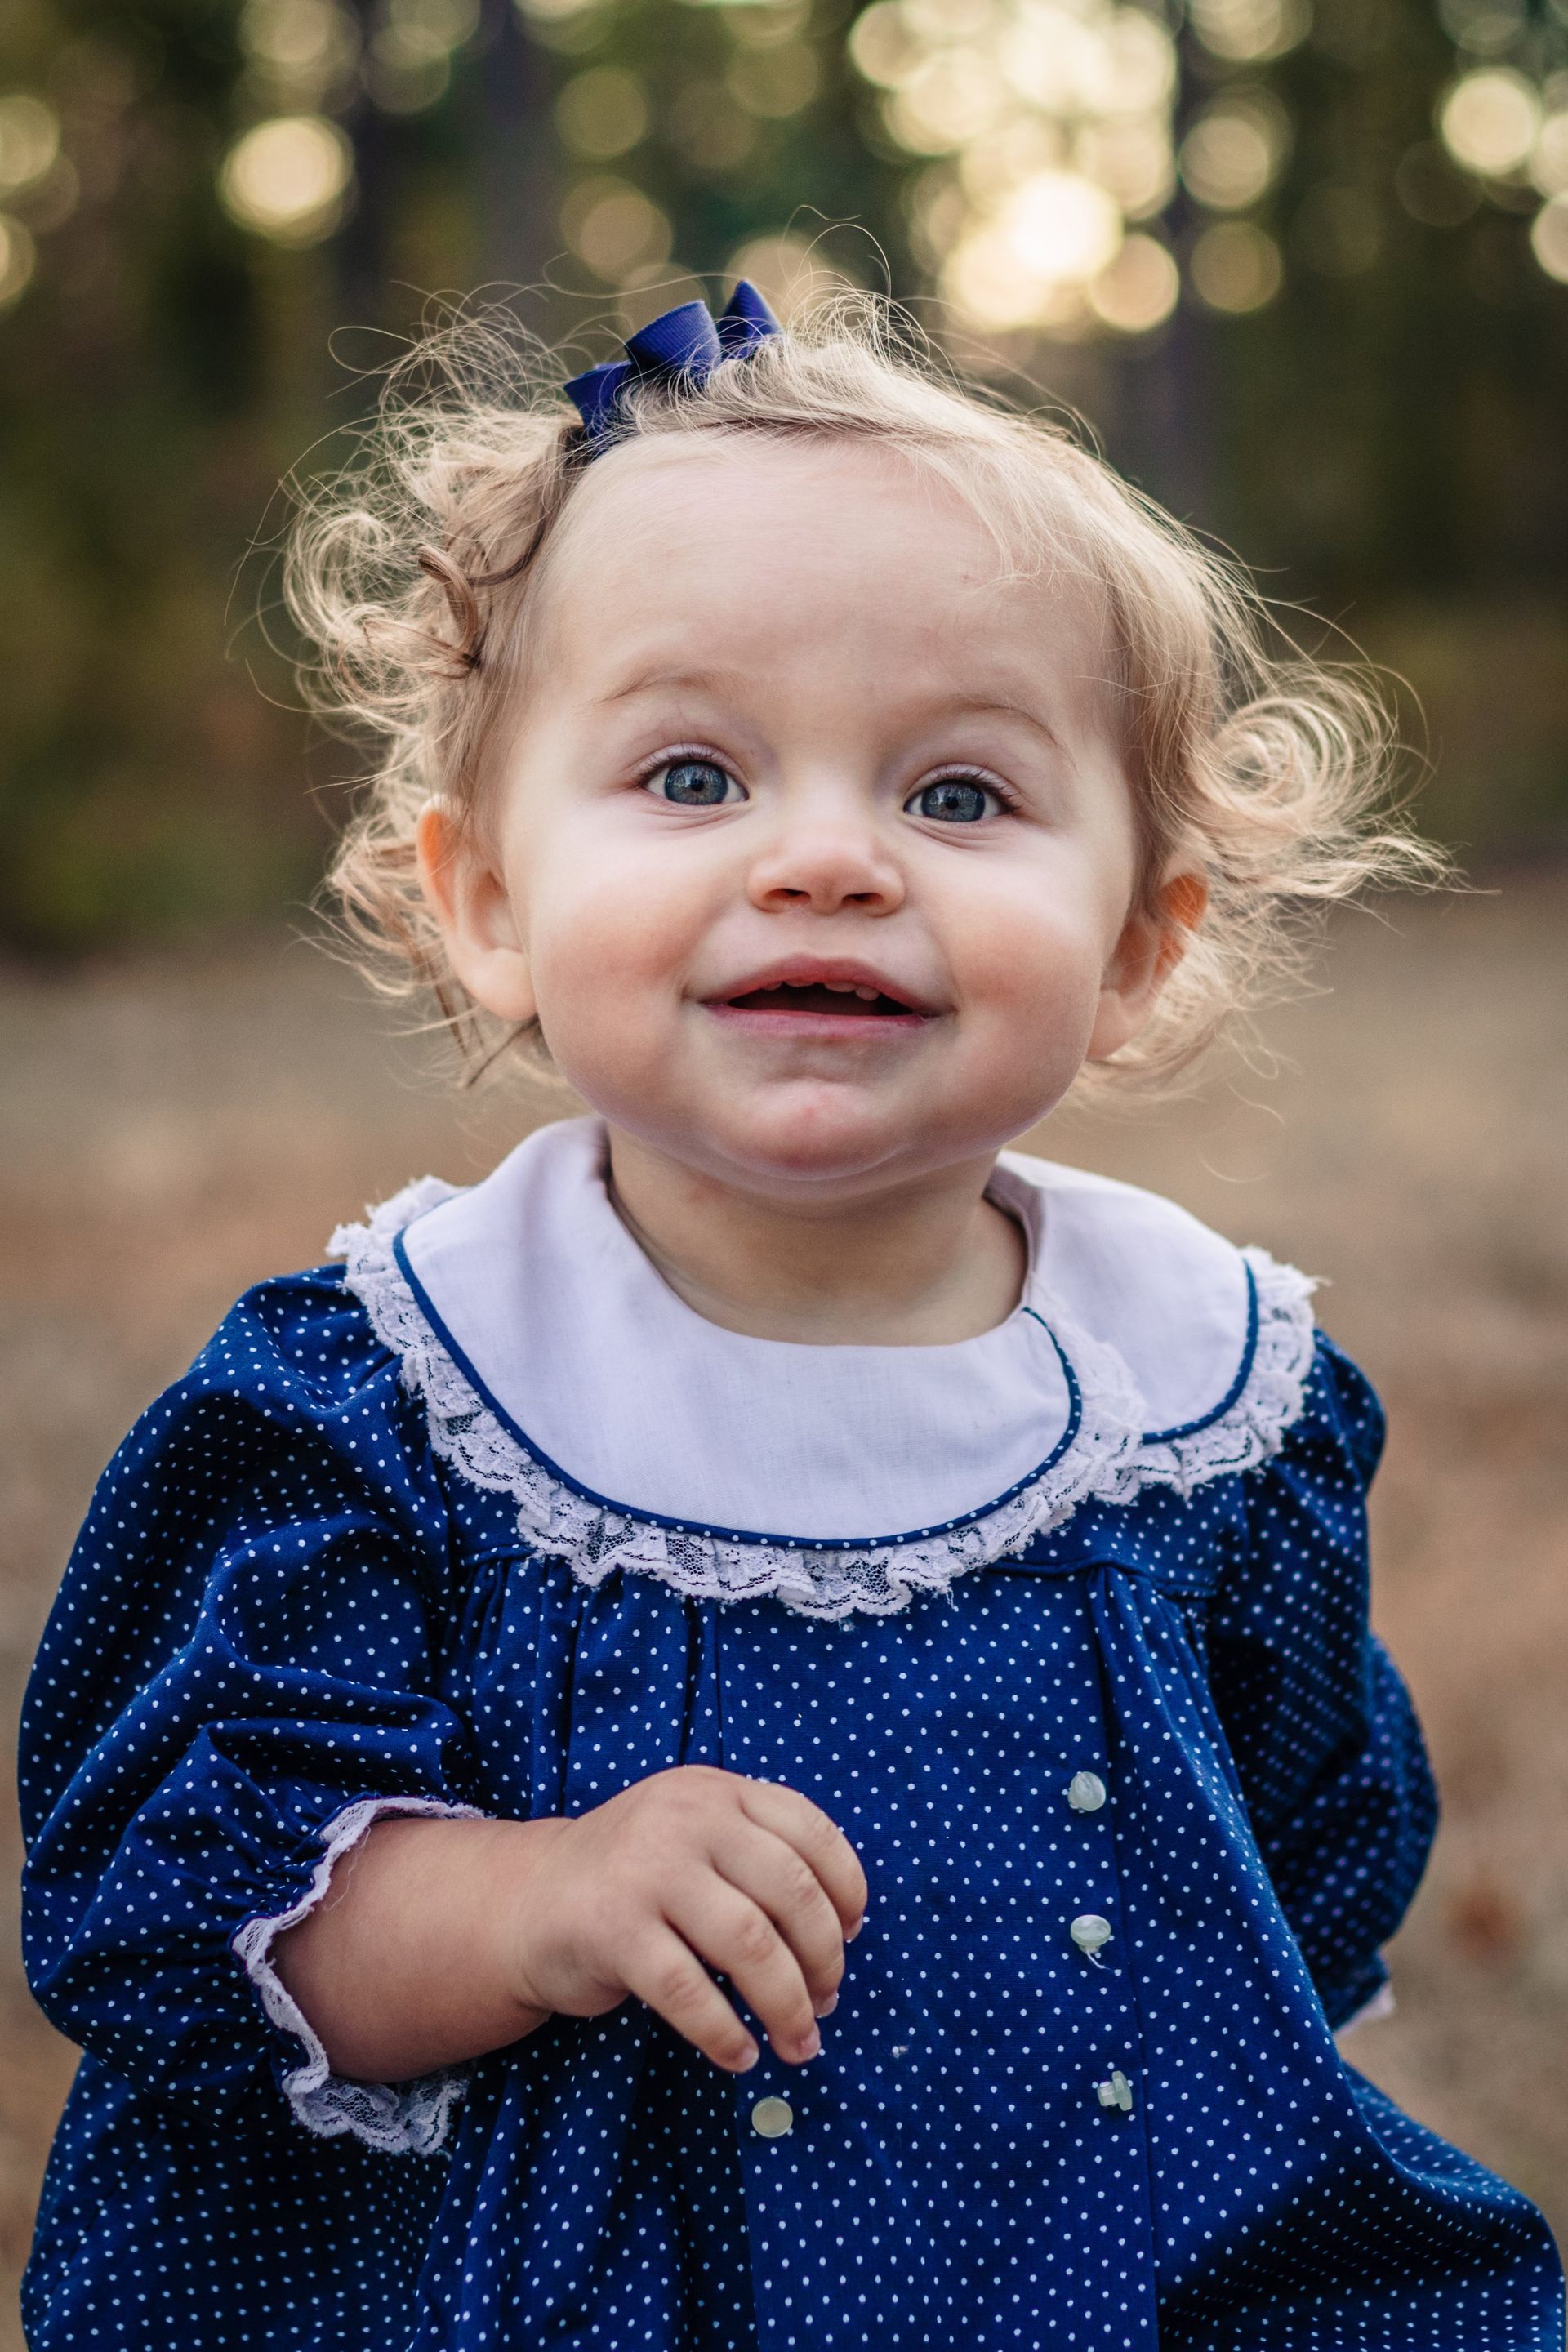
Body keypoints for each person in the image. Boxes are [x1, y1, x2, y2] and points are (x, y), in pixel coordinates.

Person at [19, 285, 1563, 2351]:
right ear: (483, 897)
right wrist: (532, 1898)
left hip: (1099, 2275)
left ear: (1134, 943)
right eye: (690, 773)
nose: (827, 859)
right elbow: (185, 1908)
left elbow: (1295, 1873)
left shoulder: (1205, 1404)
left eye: (955, 797)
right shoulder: (396, 1397)